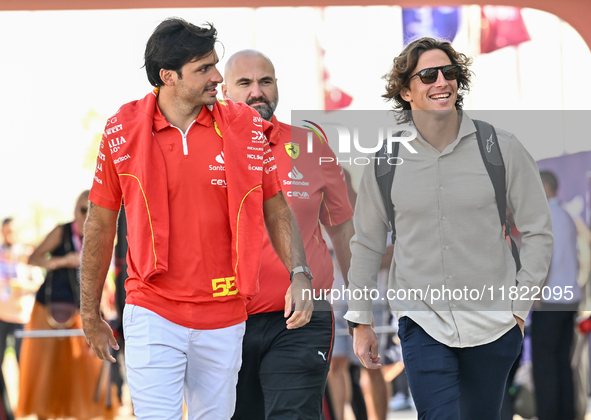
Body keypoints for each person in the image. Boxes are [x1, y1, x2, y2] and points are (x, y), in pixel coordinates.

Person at [80, 19, 313, 420]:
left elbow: (275, 207)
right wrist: (89, 314)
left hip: (224, 312)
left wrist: (299, 270)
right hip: (151, 308)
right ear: (168, 76)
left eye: (215, 65)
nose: (218, 77)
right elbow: (99, 224)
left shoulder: (247, 127)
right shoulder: (122, 129)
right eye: (204, 68)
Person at [344, 37, 553, 419]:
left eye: (449, 72)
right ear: (406, 92)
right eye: (428, 75)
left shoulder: (501, 149)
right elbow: (367, 244)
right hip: (421, 319)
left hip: (494, 321)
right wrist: (360, 319)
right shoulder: (386, 161)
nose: (442, 81)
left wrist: (519, 309)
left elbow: (538, 232)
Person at [222, 49, 354, 420]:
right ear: (224, 92)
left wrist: (361, 310)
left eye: (265, 81)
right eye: (244, 83)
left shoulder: (311, 146)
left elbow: (343, 231)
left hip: (302, 318)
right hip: (225, 321)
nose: (256, 92)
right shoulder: (204, 148)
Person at [17, 190, 117, 420]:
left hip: (84, 310)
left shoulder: (100, 234)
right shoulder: (62, 232)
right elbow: (34, 258)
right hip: (51, 309)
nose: (87, 215)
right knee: (48, 366)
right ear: (75, 210)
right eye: (83, 209)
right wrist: (63, 261)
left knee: (85, 366)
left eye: (93, 210)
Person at [531, 170, 581, 420]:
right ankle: (566, 414)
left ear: (543, 185)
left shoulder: (547, 215)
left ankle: (549, 415)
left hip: (551, 299)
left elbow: (544, 258)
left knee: (545, 366)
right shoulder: (566, 216)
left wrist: (537, 293)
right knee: (562, 362)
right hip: (570, 298)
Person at [0, 217, 40, 368]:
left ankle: (24, 392)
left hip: (21, 316)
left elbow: (38, 283)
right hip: (1, 315)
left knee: (23, 361)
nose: (9, 235)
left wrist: (23, 286)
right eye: (6, 232)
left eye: (12, 231)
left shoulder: (26, 254)